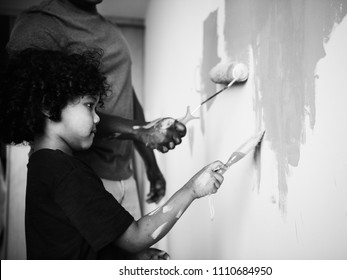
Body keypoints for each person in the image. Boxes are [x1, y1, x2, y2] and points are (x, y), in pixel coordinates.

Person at [0, 48, 226, 260]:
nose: (98, 118)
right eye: (89, 106)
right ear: (49, 106)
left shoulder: (42, 165)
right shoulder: (66, 172)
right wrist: (192, 189)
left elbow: (79, 243)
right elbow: (135, 237)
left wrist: (129, 258)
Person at [6, 0, 186, 219]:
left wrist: (151, 163)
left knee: (135, 248)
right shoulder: (40, 23)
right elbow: (29, 102)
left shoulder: (110, 29)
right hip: (78, 177)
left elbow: (126, 93)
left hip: (124, 176)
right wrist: (139, 130)